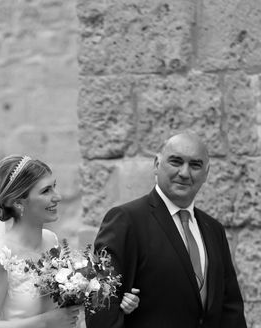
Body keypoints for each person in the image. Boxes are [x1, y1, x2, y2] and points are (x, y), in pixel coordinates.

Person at [86, 132, 247, 328]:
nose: (185, 173)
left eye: (195, 165)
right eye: (176, 162)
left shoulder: (214, 230)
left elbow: (230, 307)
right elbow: (101, 305)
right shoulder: (126, 220)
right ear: (156, 164)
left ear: (206, 172)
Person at [0, 155, 140, 328]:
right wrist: (45, 322)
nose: (57, 197)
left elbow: (66, 306)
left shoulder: (51, 240)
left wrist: (114, 300)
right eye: (46, 191)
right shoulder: (1, 257)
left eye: (54, 187)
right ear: (18, 202)